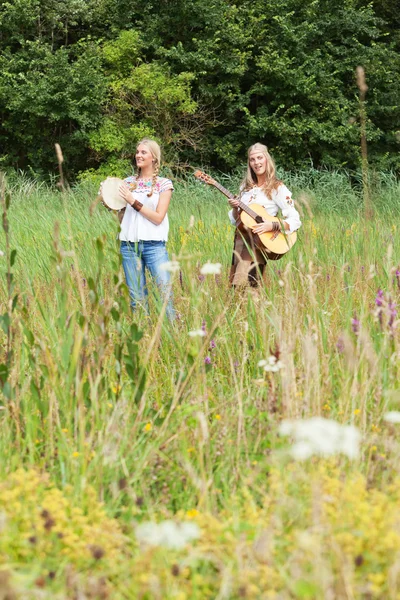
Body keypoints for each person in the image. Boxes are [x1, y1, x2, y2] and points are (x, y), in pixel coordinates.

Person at [116, 138, 175, 320]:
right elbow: (122, 216)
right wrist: (110, 202)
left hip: (154, 245)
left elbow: (158, 218)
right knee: (137, 299)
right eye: (137, 152)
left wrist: (132, 201)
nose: (138, 155)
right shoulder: (127, 183)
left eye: (143, 152)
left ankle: (171, 340)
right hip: (128, 246)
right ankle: (142, 341)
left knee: (164, 296)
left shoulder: (164, 184)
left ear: (154, 158)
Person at [228, 143, 301, 287]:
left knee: (250, 285)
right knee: (234, 286)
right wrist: (235, 208)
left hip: (258, 242)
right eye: (252, 159)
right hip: (240, 240)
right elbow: (236, 220)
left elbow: (295, 220)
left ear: (267, 159)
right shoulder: (245, 188)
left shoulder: (277, 187)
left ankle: (255, 308)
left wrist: (271, 225)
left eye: (260, 158)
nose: (256, 163)